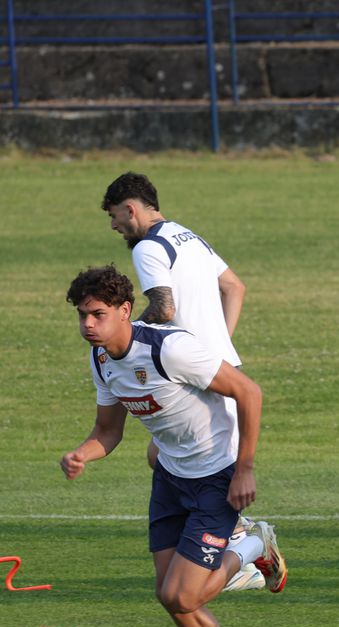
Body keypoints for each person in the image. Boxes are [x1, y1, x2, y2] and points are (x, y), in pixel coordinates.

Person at [61, 265, 286, 627]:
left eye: (97, 314)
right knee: (169, 597)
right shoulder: (101, 358)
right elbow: (108, 431)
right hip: (170, 478)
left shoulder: (171, 349)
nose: (88, 324)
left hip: (218, 476)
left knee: (182, 595)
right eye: (83, 315)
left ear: (125, 310)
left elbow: (249, 392)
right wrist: (83, 453)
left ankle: (253, 545)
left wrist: (246, 469)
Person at [101, 172, 262, 591]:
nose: (115, 226)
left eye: (116, 217)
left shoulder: (148, 247)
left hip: (188, 373)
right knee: (164, 456)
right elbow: (235, 287)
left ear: (131, 210)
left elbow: (165, 308)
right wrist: (220, 346)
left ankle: (243, 548)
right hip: (212, 369)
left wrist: (126, 331)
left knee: (182, 460)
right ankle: (236, 542)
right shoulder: (187, 236)